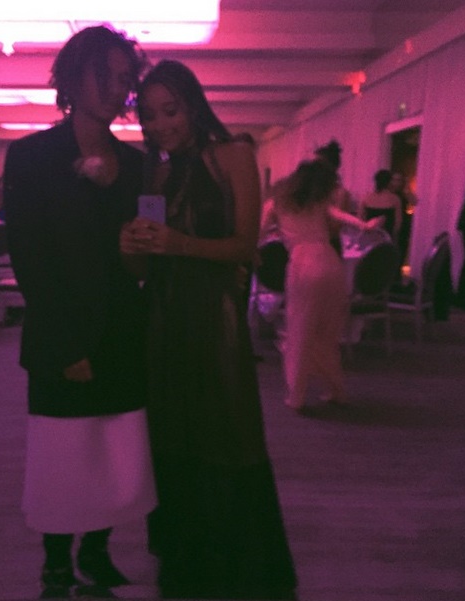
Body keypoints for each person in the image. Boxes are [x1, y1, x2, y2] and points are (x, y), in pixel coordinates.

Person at [120, 59, 296, 600]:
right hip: (162, 317)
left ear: (193, 104)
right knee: (172, 435)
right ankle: (186, 563)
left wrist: (178, 243)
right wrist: (130, 248)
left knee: (226, 431)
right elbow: (144, 268)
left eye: (170, 110)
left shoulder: (234, 154)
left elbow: (244, 247)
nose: (160, 125)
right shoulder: (156, 174)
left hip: (214, 316)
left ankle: (238, 568)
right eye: (150, 116)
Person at [2, 25, 156, 599]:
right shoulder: (31, 156)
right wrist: (65, 344)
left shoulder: (140, 166)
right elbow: (30, 259)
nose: (117, 88)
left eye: (124, 78)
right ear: (72, 78)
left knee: (114, 452)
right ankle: (55, 564)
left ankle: (96, 552)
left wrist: (143, 249)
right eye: (105, 76)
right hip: (59, 330)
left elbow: (146, 254)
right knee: (61, 455)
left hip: (123, 328)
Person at [261, 160, 382, 411]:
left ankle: (296, 396)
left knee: (300, 331)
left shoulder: (276, 204)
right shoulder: (318, 204)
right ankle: (337, 390)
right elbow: (342, 217)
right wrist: (366, 225)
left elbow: (258, 234)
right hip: (330, 263)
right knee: (327, 334)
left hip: (303, 266)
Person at [313, 139, 354, 254]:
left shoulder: (340, 193)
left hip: (328, 247)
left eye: (317, 165)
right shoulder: (312, 190)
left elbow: (335, 227)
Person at [359, 169, 402, 242]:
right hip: (387, 237)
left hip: (370, 236)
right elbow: (398, 223)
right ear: (389, 182)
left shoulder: (366, 198)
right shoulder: (395, 199)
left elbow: (360, 219)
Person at [389, 170, 418, 265]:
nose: (396, 182)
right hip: (390, 223)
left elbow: (414, 202)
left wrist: (407, 187)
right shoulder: (387, 193)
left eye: (399, 180)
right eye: (394, 179)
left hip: (403, 224)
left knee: (401, 250)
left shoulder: (404, 193)